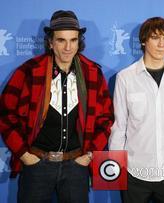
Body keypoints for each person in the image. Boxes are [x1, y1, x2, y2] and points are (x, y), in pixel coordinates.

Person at [0, 10, 114, 203]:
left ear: (79, 42)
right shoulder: (29, 72)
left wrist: (90, 154)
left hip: (76, 166)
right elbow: (5, 114)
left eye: (73, 40)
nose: (68, 47)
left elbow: (106, 119)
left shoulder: (92, 74)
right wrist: (24, 155)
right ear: (51, 43)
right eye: (61, 40)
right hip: (37, 164)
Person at [109, 17, 164, 203]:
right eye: (155, 37)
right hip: (134, 173)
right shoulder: (125, 77)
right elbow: (119, 126)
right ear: (143, 41)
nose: (162, 44)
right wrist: (117, 166)